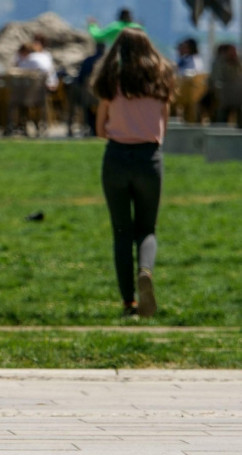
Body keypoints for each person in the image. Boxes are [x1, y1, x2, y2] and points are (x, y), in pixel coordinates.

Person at [91, 27, 175, 318]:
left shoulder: (110, 81)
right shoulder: (161, 78)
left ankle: (129, 303)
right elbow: (163, 124)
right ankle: (146, 270)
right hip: (148, 157)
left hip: (116, 157)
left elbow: (100, 129)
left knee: (121, 232)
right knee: (147, 229)